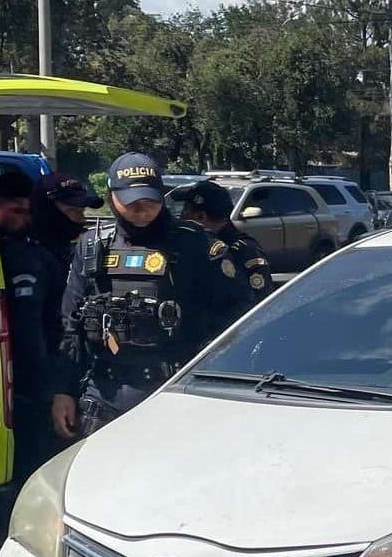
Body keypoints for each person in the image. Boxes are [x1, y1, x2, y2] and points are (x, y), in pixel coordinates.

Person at [53, 153, 250, 440]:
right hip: (105, 394)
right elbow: (71, 326)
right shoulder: (93, 246)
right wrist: (64, 390)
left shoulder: (197, 245)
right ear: (111, 197)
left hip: (176, 393)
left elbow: (236, 321)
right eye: (132, 201)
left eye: (150, 200)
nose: (143, 209)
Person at [0, 168, 61, 557]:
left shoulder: (25, 254)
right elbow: (28, 332)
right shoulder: (0, 255)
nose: (25, 218)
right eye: (18, 210)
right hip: (8, 384)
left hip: (10, 384)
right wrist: (45, 389)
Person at [179, 178, 274, 323]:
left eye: (186, 210)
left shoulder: (244, 250)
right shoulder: (194, 245)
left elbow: (260, 306)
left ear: (200, 216)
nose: (181, 216)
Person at [31, 174, 103, 271]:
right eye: (74, 211)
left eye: (82, 212)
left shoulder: (71, 252)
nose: (83, 220)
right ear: (47, 213)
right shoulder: (25, 261)